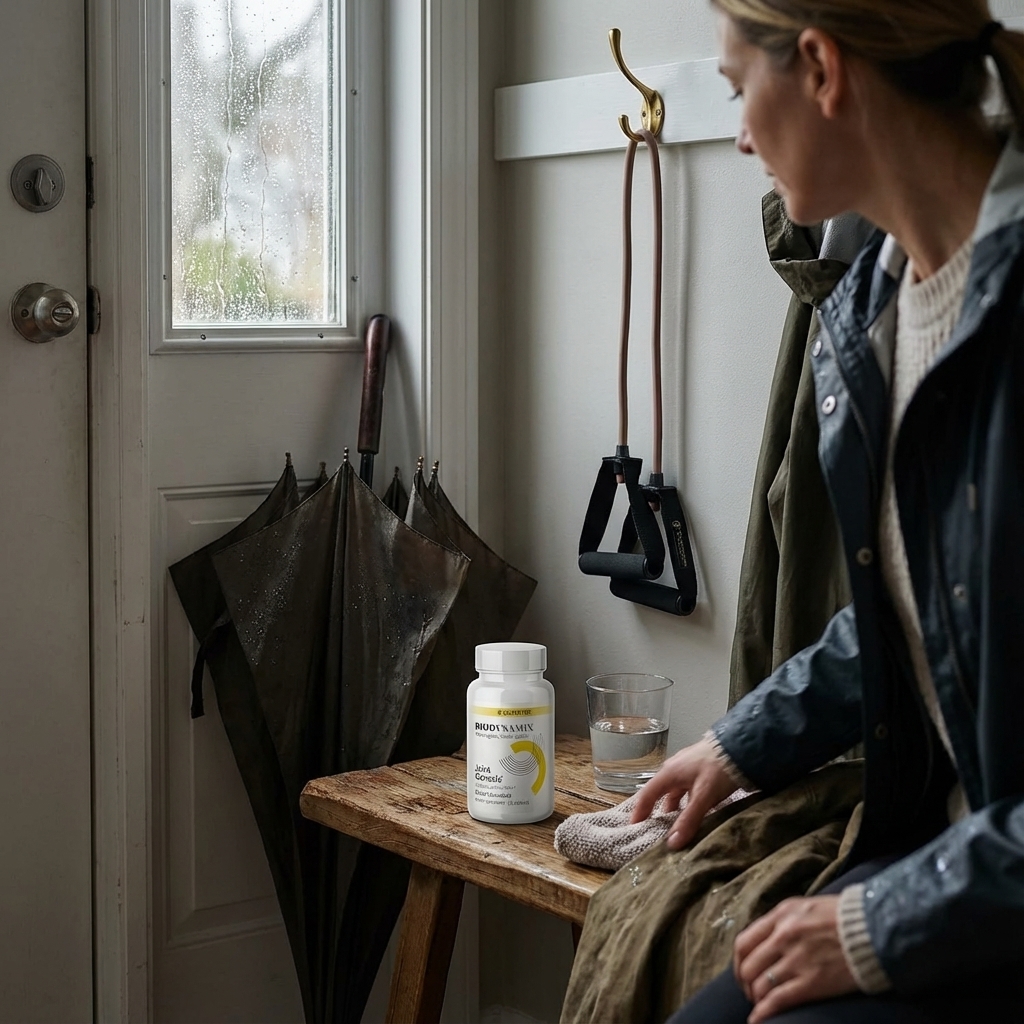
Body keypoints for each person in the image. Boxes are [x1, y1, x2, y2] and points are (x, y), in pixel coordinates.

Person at [629, 3, 1024, 1022]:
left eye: (733, 89)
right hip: (955, 872)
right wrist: (741, 742)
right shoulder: (869, 314)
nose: (738, 133)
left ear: (820, 67)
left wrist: (873, 925)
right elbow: (925, 602)